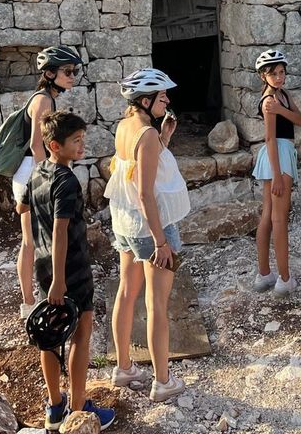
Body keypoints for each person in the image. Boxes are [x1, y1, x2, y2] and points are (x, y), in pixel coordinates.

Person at [18, 111, 116, 430]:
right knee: (81, 335)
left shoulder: (37, 174)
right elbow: (61, 230)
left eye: (82, 139)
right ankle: (78, 407)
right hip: (70, 269)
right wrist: (61, 281)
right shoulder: (67, 180)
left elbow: (22, 206)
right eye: (76, 141)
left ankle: (54, 407)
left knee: (48, 337)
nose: (81, 145)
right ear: (54, 145)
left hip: (44, 265)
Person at [105, 68, 190, 403]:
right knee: (157, 304)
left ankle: (124, 367)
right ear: (145, 99)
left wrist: (165, 137)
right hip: (149, 226)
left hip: (124, 221)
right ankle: (163, 381)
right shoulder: (147, 135)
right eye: (162, 95)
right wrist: (160, 241)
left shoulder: (126, 127)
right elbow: (146, 193)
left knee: (127, 292)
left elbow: (136, 171)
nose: (167, 99)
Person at [15, 45, 83, 320]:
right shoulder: (43, 100)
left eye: (75, 71)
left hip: (33, 172)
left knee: (33, 240)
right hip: (34, 173)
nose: (72, 76)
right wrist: (50, 174)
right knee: (30, 241)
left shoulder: (47, 98)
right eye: (67, 71)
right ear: (49, 73)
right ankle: (30, 303)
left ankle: (33, 299)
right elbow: (35, 144)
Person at [251, 49, 301, 296]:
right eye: (274, 73)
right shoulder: (268, 101)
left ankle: (264, 276)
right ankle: (284, 279)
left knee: (270, 215)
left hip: (280, 154)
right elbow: (270, 138)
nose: (280, 77)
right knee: (278, 219)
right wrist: (277, 175)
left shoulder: (282, 96)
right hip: (278, 156)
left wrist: (282, 110)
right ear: (263, 76)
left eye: (282, 72)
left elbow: (300, 120)